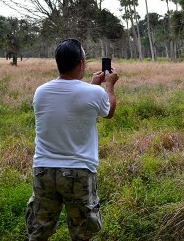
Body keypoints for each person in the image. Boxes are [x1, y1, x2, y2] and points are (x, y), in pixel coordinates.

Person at [25, 38, 119, 241]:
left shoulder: (40, 92)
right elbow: (108, 111)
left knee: (38, 231)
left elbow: (72, 98)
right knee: (82, 232)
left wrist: (93, 85)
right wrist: (109, 86)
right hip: (79, 171)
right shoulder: (93, 93)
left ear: (58, 63)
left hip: (43, 170)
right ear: (81, 64)